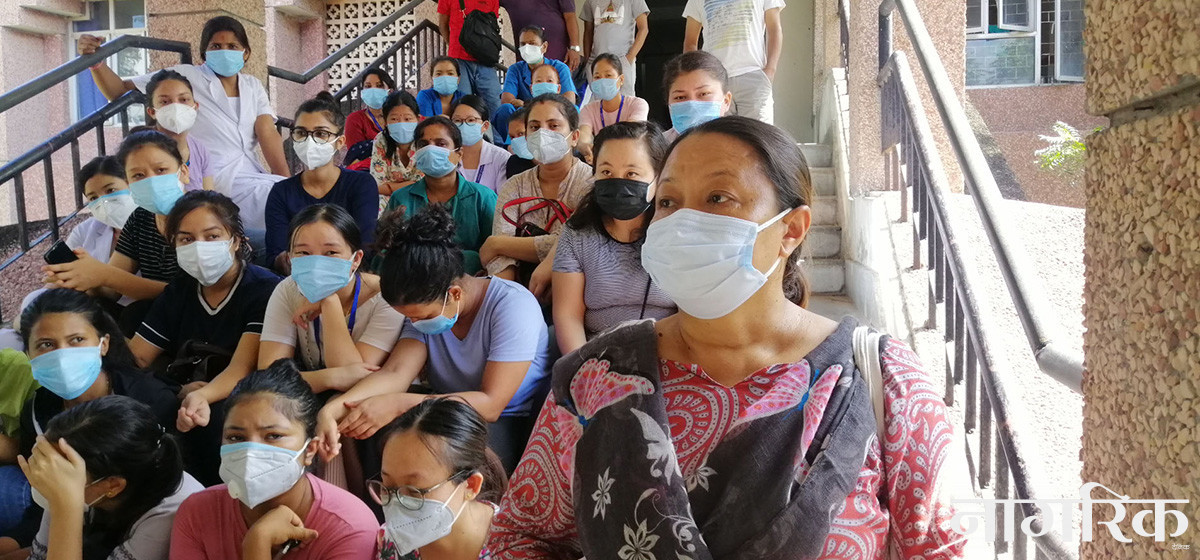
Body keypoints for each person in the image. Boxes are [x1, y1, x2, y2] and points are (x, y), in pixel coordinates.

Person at [488, 117, 967, 558]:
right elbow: (520, 537)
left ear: (791, 230)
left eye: (718, 198)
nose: (682, 222)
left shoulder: (881, 381)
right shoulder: (598, 376)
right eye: (668, 202)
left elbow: (939, 548)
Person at [316, 205, 552, 474]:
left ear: (454, 294)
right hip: (440, 408)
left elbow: (491, 404)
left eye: (421, 316)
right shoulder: (426, 309)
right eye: (409, 318)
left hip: (503, 420)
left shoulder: (513, 306)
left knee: (436, 457)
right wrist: (333, 409)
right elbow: (396, 372)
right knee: (362, 421)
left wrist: (397, 403)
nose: (415, 323)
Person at [0, 289, 181, 552]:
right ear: (28, 354)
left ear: (103, 344)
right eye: (46, 345)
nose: (62, 355)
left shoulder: (149, 400)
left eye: (76, 340)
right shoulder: (37, 409)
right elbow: (43, 506)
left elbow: (169, 485)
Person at [78, 15, 288, 231]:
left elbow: (267, 131)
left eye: (232, 46)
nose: (224, 51)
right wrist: (96, 63)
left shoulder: (252, 85)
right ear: (204, 53)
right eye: (216, 46)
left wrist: (286, 180)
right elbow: (118, 90)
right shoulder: (185, 76)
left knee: (291, 196)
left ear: (246, 52)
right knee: (276, 203)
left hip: (252, 173)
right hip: (214, 175)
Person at [128, 191, 281, 484]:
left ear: (235, 240)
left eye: (212, 236)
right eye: (186, 239)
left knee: (220, 419)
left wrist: (202, 395)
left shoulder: (264, 290)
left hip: (240, 393)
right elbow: (137, 357)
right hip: (188, 390)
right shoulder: (180, 290)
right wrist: (176, 389)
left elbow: (242, 367)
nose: (199, 247)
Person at [169, 360, 378, 560]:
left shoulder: (349, 527)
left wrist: (256, 543)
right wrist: (257, 543)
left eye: (273, 436)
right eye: (236, 437)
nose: (251, 451)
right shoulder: (197, 513)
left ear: (310, 450)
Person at [16, 396, 204, 560]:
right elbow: (39, 556)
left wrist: (66, 507)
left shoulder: (169, 515)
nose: (43, 478)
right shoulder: (70, 475)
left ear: (112, 485)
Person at [42, 131, 188, 331]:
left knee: (135, 314)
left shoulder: (204, 214)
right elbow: (110, 292)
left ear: (183, 171)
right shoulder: (140, 219)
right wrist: (79, 278)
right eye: (138, 175)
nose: (150, 181)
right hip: (158, 317)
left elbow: (188, 294)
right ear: (129, 182)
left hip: (198, 319)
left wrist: (102, 274)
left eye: (161, 170)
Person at [552, 121, 674, 355]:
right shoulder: (577, 234)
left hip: (668, 354)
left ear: (659, 177)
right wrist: (583, 368)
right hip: (595, 354)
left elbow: (692, 319)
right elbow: (568, 316)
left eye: (632, 173)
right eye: (606, 172)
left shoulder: (677, 233)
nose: (618, 182)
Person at [259, 204, 403, 390]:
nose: (317, 264)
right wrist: (329, 378)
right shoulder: (288, 289)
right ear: (290, 258)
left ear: (356, 259)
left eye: (331, 253)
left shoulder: (387, 296)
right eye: (303, 253)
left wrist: (329, 302)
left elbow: (356, 380)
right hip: (305, 394)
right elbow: (269, 375)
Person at [482, 94, 592, 297]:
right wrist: (509, 298)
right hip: (518, 290)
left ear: (574, 137)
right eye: (534, 127)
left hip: (577, 291)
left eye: (553, 126)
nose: (542, 133)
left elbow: (577, 244)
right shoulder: (514, 185)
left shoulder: (590, 183)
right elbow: (499, 257)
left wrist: (497, 244)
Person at [372, 398, 507, 560]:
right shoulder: (392, 541)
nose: (397, 503)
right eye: (388, 487)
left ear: (471, 485)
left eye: (415, 491)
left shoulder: (515, 544)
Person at [265, 93, 378, 272]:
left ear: (340, 142)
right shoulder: (281, 192)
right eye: (301, 133)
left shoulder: (361, 184)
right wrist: (302, 267)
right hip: (297, 279)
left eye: (321, 134)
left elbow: (366, 246)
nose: (309, 141)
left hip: (350, 277)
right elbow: (275, 254)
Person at [383, 116, 497, 275]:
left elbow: (496, 252)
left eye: (441, 144)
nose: (431, 149)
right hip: (412, 282)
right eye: (423, 144)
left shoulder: (482, 198)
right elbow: (386, 251)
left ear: (459, 153)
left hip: (470, 283)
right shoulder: (401, 198)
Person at [683, 0, 783, 124]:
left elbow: (774, 29)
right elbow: (690, 42)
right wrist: (697, 79)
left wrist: (770, 70)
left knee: (758, 133)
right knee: (719, 133)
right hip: (714, 80)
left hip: (753, 75)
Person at [491, 26, 578, 143]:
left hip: (554, 112)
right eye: (523, 44)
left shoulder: (559, 68)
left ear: (544, 47)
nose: (527, 48)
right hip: (523, 115)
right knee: (505, 110)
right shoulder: (515, 69)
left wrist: (527, 105)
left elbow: (569, 100)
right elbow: (506, 100)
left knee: (574, 110)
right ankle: (508, 145)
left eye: (532, 44)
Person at [145, 70, 215, 192]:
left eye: (184, 99)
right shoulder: (139, 149)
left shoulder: (200, 151)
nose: (176, 107)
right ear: (152, 112)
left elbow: (209, 196)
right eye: (165, 102)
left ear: (195, 107)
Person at [575, 54, 650, 163]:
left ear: (621, 79)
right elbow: (584, 133)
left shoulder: (637, 104)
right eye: (597, 77)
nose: (602, 81)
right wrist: (586, 147)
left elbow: (632, 134)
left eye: (608, 75)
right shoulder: (588, 109)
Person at [436, 0, 501, 117]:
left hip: (485, 59)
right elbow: (442, 25)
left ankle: (491, 130)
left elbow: (492, 25)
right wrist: (453, 45)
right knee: (463, 105)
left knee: (494, 105)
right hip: (459, 60)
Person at [660, 50, 733, 143]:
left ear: (726, 101)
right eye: (680, 97)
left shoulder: (744, 146)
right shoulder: (654, 148)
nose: (692, 105)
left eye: (703, 94)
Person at [580, 0, 649, 96]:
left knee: (625, 99)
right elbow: (588, 31)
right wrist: (588, 60)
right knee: (598, 99)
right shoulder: (590, 1)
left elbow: (643, 29)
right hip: (597, 61)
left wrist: (629, 58)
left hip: (622, 59)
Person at [371, 91, 424, 205]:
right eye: (394, 119)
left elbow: (425, 184)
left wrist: (390, 187)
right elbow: (378, 185)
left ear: (418, 119)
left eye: (407, 119)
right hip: (387, 198)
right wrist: (410, 185)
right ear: (385, 122)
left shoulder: (425, 140)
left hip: (420, 197)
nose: (401, 124)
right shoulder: (381, 140)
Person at [451, 95, 511, 193]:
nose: (464, 125)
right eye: (457, 121)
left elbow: (504, 198)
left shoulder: (501, 158)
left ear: (485, 126)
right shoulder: (445, 156)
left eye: (471, 120)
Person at [499, 0, 583, 71]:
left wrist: (574, 48)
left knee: (556, 80)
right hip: (526, 51)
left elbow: (570, 17)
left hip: (556, 50)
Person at [344, 69, 396, 169]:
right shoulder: (355, 120)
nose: (373, 90)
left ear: (390, 91)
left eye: (379, 86)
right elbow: (356, 158)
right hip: (367, 172)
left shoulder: (400, 118)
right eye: (368, 86)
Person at [503, 108, 536, 179]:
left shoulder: (557, 163)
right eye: (512, 137)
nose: (516, 140)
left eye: (521, 134)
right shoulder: (514, 163)